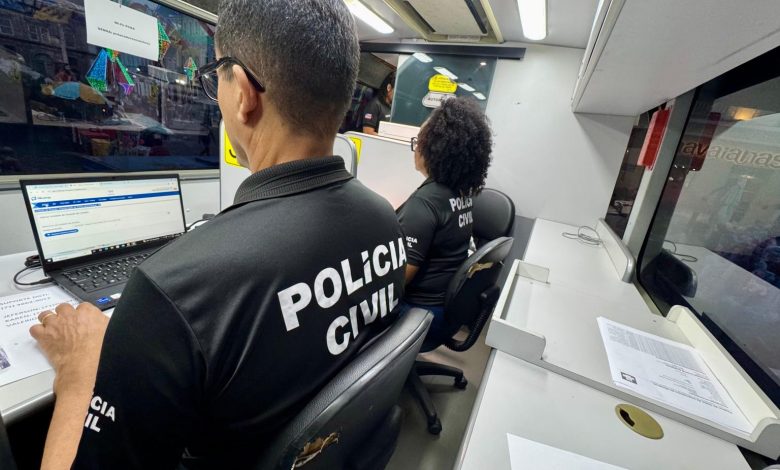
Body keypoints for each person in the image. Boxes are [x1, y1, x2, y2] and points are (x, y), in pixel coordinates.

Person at [29, 1, 407, 468]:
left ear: (244, 93)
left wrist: (79, 373)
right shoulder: (384, 219)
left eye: (217, 78)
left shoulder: (174, 290)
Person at [396, 97, 492, 340]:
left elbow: (396, 282)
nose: (416, 149)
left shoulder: (424, 204)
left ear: (433, 149)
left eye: (419, 142)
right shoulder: (461, 194)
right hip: (447, 312)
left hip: (419, 316)